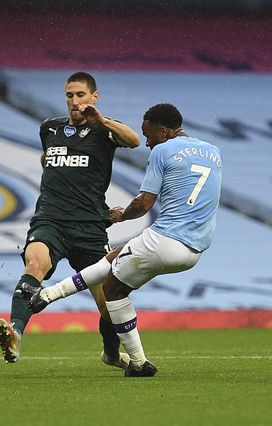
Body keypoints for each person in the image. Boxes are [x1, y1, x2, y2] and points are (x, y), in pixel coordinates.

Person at [25, 103, 223, 376]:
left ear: (164, 132)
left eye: (149, 135)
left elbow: (144, 203)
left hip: (166, 239)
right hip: (195, 248)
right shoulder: (213, 152)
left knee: (113, 290)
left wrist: (121, 215)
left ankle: (139, 363)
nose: (147, 142)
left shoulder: (163, 151)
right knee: (114, 256)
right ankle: (44, 297)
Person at [0, 72, 141, 366]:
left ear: (94, 97)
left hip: (90, 229)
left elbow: (135, 140)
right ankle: (15, 334)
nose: (75, 101)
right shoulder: (50, 128)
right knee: (35, 262)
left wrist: (103, 120)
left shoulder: (105, 130)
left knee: (109, 303)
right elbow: (47, 158)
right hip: (51, 221)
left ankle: (111, 354)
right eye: (70, 95)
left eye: (81, 95)